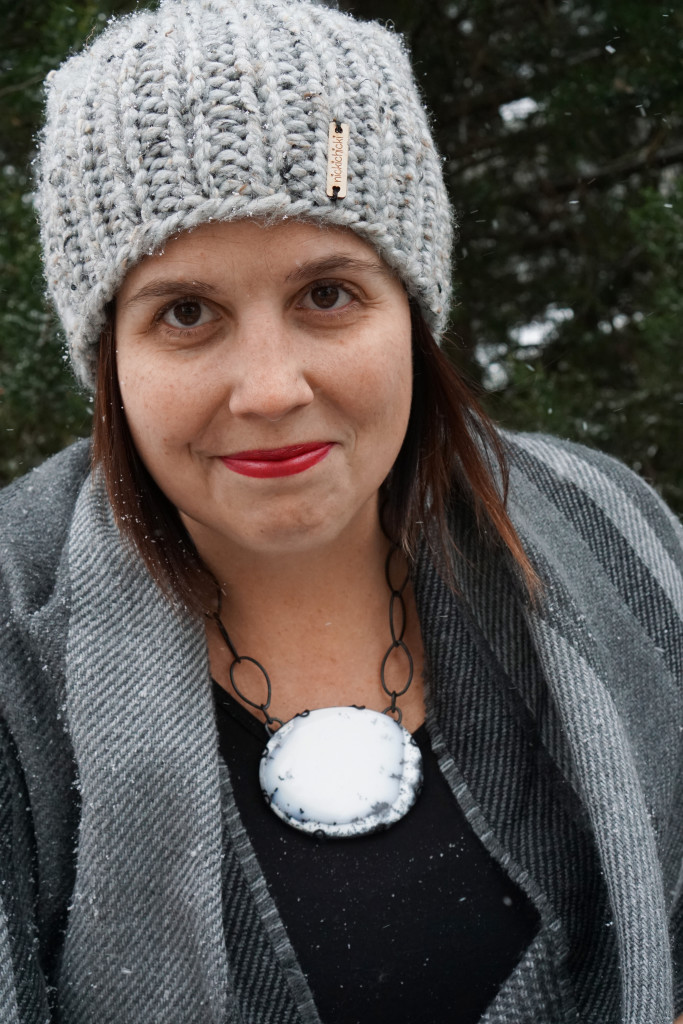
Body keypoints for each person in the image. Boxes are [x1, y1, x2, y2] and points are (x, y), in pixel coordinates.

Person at [1, 0, 682, 1021]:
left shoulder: (610, 529)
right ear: (110, 358)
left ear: (409, 307)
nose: (269, 389)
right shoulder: (16, 652)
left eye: (327, 294)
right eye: (186, 313)